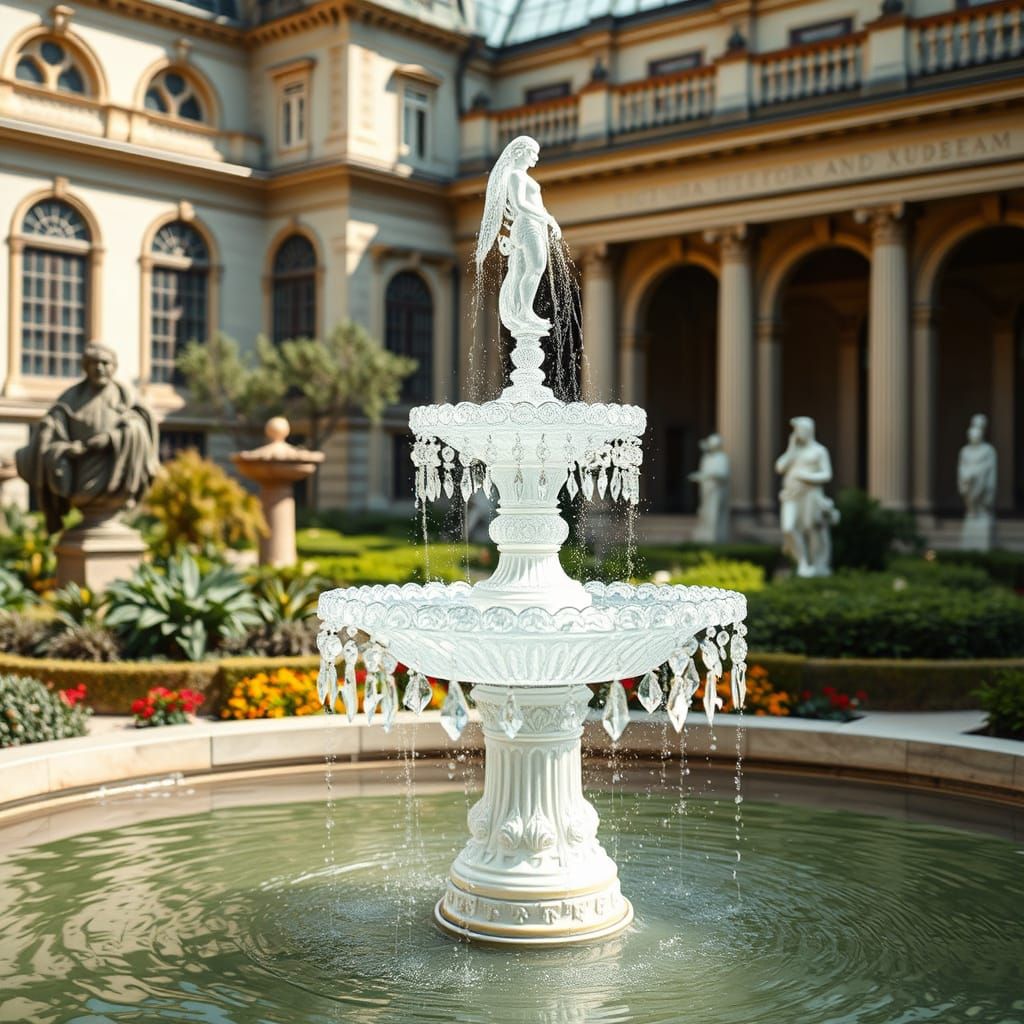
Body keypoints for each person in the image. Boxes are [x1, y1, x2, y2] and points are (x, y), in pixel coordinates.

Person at [16, 343, 159, 532]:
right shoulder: (70, 399)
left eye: (105, 363)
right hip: (81, 473)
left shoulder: (126, 397)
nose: (99, 367)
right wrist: (65, 449)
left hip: (114, 474)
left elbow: (139, 427)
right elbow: (50, 432)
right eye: (93, 363)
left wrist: (111, 438)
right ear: (85, 367)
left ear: (114, 367)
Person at [475, 135, 561, 337]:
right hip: (527, 225)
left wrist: (547, 220)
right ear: (521, 152)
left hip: (530, 225)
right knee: (536, 268)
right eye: (533, 153)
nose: (536, 158)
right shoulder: (515, 176)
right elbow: (520, 204)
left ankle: (522, 312)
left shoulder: (521, 176)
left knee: (522, 270)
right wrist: (548, 218)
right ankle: (525, 312)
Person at [775, 416, 839, 577]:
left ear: (808, 430)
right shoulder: (794, 451)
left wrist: (804, 476)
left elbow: (827, 474)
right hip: (791, 495)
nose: (797, 433)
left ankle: (817, 565)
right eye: (795, 430)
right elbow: (780, 467)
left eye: (799, 429)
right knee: (788, 527)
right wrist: (791, 448)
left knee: (813, 530)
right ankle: (802, 563)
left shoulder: (819, 451)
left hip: (811, 495)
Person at [958, 413, 997, 550]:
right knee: (970, 500)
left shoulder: (988, 450)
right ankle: (973, 511)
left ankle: (979, 511)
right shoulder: (965, 451)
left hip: (982, 484)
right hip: (968, 482)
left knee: (980, 501)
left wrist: (979, 473)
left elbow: (990, 471)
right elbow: (961, 467)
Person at [689, 433, 730, 543]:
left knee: (714, 515)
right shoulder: (707, 458)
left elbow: (723, 474)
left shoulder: (722, 458)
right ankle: (706, 536)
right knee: (705, 514)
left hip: (716, 491)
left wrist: (709, 475)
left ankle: (714, 536)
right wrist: (700, 476)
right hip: (706, 490)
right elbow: (704, 473)